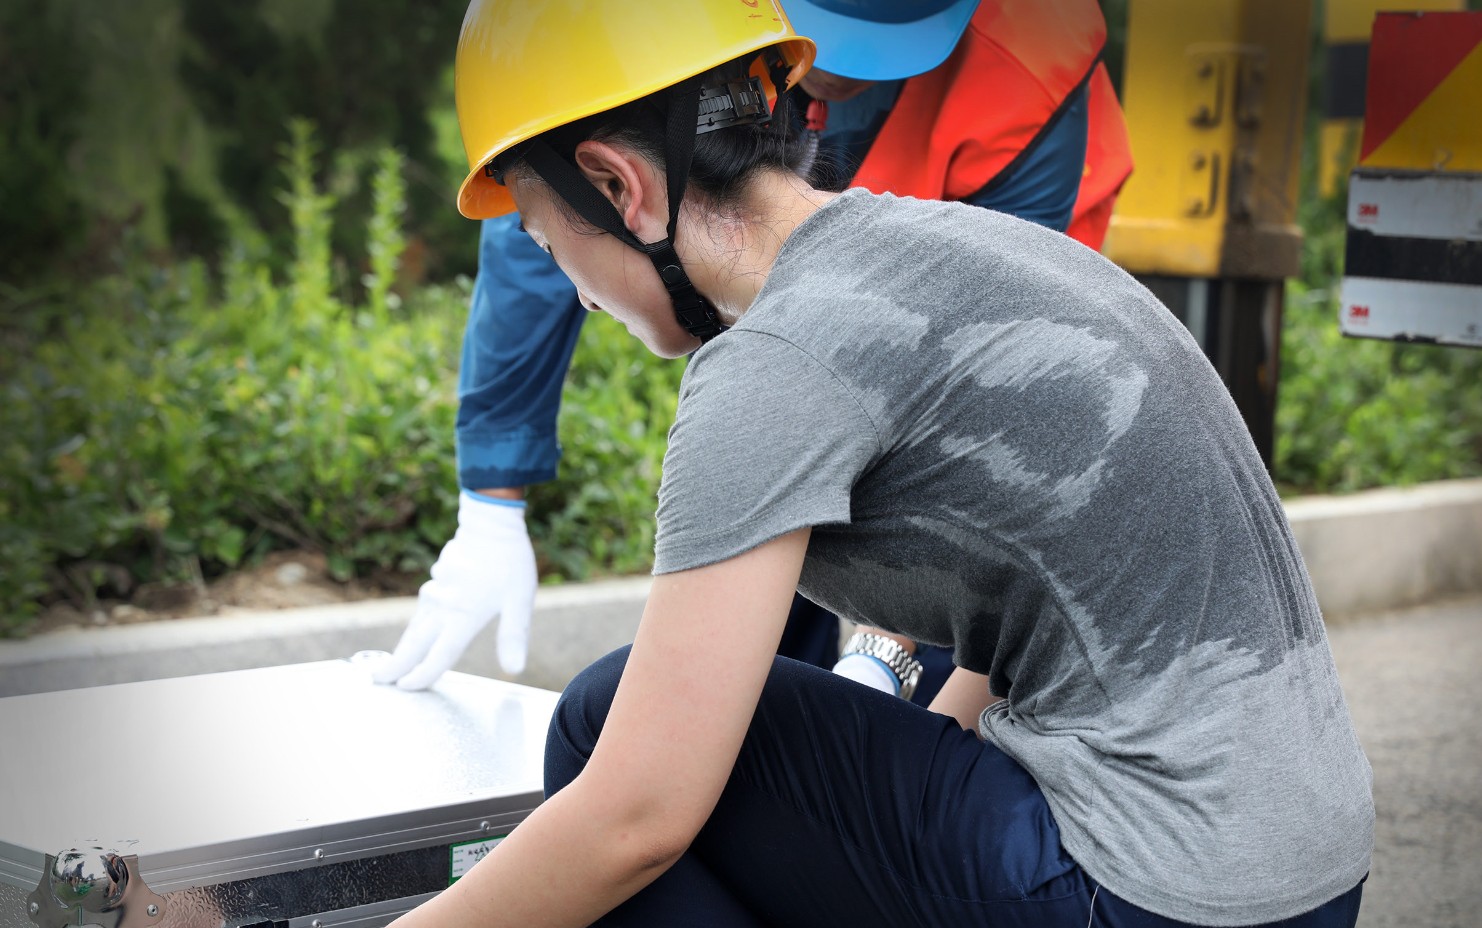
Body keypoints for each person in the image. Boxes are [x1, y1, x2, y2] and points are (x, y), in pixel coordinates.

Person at [238, 2, 1375, 928]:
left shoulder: (777, 363)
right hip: (1291, 901)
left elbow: (638, 816)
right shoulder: (951, 253)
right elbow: (1029, 584)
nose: (570, 289)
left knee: (606, 721)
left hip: (1148, 913)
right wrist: (896, 832)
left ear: (618, 185)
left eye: (541, 237)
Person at [372, 0, 1133, 705]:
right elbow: (556, 197)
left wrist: (883, 654)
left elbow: (981, 399)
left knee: (929, 649)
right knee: (756, 654)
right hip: (769, 303)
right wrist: (491, 500)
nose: (840, 71)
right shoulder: (680, 31)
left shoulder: (1033, 69)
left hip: (962, 351)